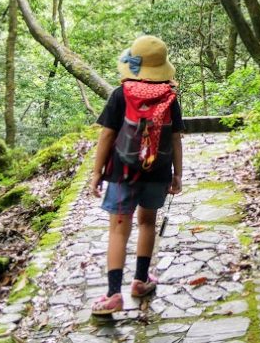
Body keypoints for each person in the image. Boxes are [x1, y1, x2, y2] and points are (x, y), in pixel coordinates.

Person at [88, 35, 185, 316]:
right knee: (147, 223)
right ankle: (140, 281)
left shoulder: (122, 94)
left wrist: (96, 173)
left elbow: (107, 134)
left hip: (122, 172)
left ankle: (112, 294)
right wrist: (177, 175)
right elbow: (176, 139)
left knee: (118, 229)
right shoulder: (169, 98)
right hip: (157, 172)